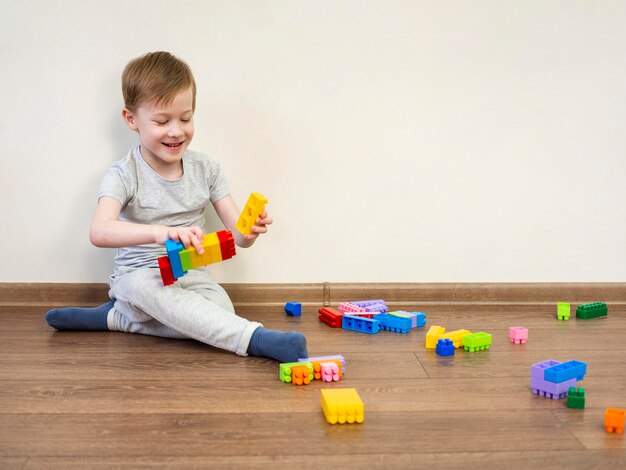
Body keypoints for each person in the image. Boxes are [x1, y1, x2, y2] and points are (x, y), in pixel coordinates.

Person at [45, 51, 307, 363]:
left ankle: (118, 319)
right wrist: (161, 233)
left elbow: (238, 237)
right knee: (167, 300)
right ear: (131, 119)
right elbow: (99, 231)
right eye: (161, 121)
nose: (176, 131)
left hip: (190, 274)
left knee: (220, 311)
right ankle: (255, 338)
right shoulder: (124, 173)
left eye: (185, 118)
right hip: (139, 276)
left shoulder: (207, 169)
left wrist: (249, 232)